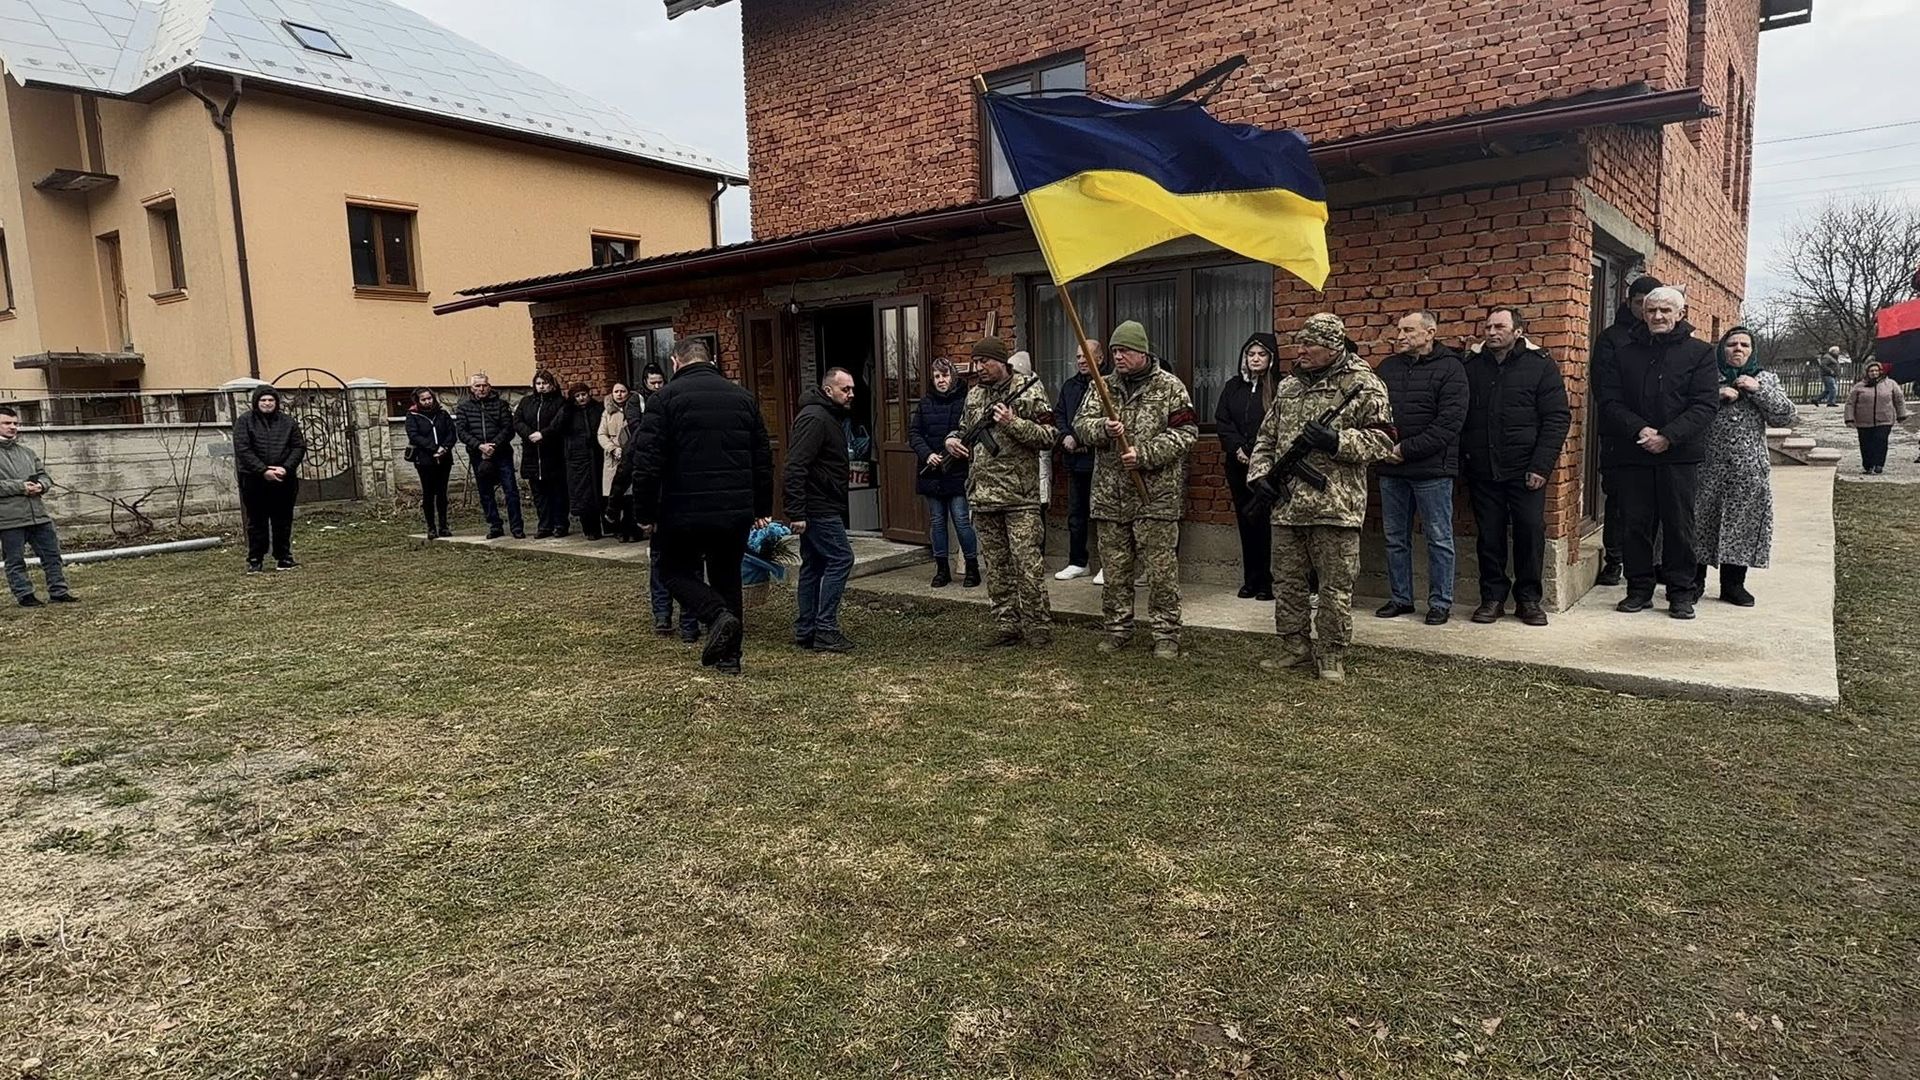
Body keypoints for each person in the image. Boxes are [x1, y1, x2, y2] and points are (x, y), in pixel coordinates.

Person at [1247, 313, 1396, 681]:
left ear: (1332, 347)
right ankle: (1294, 646)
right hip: (1288, 506)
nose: (1300, 351)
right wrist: (1260, 475)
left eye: (1308, 345)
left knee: (1335, 587)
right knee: (1287, 582)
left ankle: (1331, 654)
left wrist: (1337, 441)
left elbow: (1384, 441)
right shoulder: (1289, 386)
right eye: (1299, 344)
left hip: (1336, 506)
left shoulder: (1364, 385)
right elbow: (1266, 438)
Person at [629, 339, 774, 676]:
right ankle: (729, 659)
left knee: (672, 571)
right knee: (727, 577)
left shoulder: (663, 399)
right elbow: (762, 457)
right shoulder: (743, 397)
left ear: (676, 362)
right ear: (709, 360)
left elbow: (647, 463)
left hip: (683, 510)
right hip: (735, 510)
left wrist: (645, 514)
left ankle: (715, 615)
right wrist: (761, 508)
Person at [1072, 320, 1198, 660]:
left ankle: (1166, 633)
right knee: (1114, 571)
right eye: (1114, 351)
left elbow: (1186, 433)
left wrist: (1144, 454)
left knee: (1160, 573)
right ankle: (1117, 628)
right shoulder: (1102, 386)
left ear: (1143, 352)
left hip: (1154, 497)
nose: (1118, 357)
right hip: (1110, 497)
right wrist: (1103, 428)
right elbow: (1080, 426)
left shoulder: (1170, 387)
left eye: (1124, 350)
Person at [1594, 285, 1720, 619]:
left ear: (1681, 314)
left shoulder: (1700, 353)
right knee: (1635, 524)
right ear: (1643, 314)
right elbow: (1609, 400)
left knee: (1679, 525)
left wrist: (1668, 436)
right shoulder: (1625, 352)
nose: (1658, 316)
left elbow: (1705, 404)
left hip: (1679, 454)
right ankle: (1638, 589)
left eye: (1666, 310)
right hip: (1634, 451)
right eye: (1652, 311)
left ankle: (1681, 592)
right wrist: (1639, 429)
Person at [1459, 307, 1570, 626]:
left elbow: (1557, 417)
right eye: (1488, 327)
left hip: (1526, 471)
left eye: (1500, 327)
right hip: (1483, 469)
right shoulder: (1472, 366)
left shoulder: (1540, 365)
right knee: (1489, 536)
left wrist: (1541, 466)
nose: (1492, 332)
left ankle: (1529, 600)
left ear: (1518, 331)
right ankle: (1492, 598)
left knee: (1530, 532)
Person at [945, 337, 1056, 646]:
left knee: (1028, 566)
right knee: (996, 567)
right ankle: (1007, 623)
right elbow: (964, 428)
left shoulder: (1030, 388)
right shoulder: (974, 395)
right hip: (983, 495)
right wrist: (952, 440)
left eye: (985, 362)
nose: (979, 368)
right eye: (976, 362)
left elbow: (1049, 436)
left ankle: (1038, 627)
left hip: (1019, 497)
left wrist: (1012, 422)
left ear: (1001, 362)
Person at [1375, 312, 1468, 624]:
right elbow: (1373, 412)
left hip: (1432, 470)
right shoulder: (1387, 368)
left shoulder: (1451, 368)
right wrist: (1383, 447)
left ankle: (1440, 602)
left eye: (1408, 330)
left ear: (1430, 333)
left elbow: (1450, 423)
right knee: (1394, 538)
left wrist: (1405, 449)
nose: (1400, 335)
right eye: (1398, 329)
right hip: (1391, 469)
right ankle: (1401, 598)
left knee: (1439, 538)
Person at [1695, 327, 1797, 605]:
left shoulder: (1765, 379)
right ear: (1722, 349)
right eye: (1731, 345)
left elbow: (1785, 417)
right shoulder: (1706, 376)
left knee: (1742, 525)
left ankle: (1733, 585)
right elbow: (1687, 408)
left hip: (1748, 469)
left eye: (1744, 345)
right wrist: (1716, 395)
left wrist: (1758, 390)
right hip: (1707, 467)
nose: (1737, 349)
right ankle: (1694, 582)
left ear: (1752, 350)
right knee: (1701, 521)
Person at [1592, 275, 1662, 585]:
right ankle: (1615, 559)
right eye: (1640, 304)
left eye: (1652, 305)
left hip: (1663, 437)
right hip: (1620, 434)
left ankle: (1654, 562)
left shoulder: (1667, 337)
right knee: (1619, 499)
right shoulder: (1612, 339)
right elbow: (1605, 391)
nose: (1648, 312)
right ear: (1629, 302)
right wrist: (1636, 425)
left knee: (1658, 501)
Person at [785, 367, 857, 652]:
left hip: (821, 502)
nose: (851, 394)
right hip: (818, 505)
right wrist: (797, 512)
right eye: (845, 389)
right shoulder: (815, 418)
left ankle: (808, 629)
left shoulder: (827, 416)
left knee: (814, 565)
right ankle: (825, 628)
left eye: (852, 389)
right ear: (828, 391)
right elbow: (795, 466)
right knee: (841, 558)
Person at [1215, 332, 1279, 602]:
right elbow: (1222, 420)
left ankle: (1268, 582)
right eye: (1251, 354)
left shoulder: (1279, 387)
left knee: (1266, 523)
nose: (1255, 359)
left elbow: (1276, 424)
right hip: (1237, 463)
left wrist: (1255, 451)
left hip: (1267, 468)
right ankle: (1251, 580)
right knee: (1246, 521)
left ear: (1271, 359)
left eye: (1261, 354)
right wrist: (1238, 447)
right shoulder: (1233, 386)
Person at [907, 357, 980, 588]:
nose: (941, 380)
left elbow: (973, 432)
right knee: (937, 522)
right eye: (937, 376)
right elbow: (914, 433)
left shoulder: (966, 401)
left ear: (953, 376)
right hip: (931, 471)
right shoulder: (925, 403)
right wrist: (927, 454)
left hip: (957, 470)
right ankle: (941, 570)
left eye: (945, 375)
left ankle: (972, 569)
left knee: (961, 520)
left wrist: (961, 449)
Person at [0, 406, 74, 606]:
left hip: (38, 514)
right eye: (7, 423)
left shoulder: (26, 452)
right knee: (15, 560)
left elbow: (44, 475)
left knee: (52, 555)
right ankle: (25, 596)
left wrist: (41, 485)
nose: (13, 427)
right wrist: (21, 486)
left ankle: (59, 592)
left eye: (15, 423)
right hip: (9, 518)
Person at [232, 384, 308, 573]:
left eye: (271, 400)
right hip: (254, 480)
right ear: (256, 402)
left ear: (276, 402)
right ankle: (255, 560)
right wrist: (263, 470)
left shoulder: (288, 422)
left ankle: (284, 558)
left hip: (284, 480)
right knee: (257, 521)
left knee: (282, 520)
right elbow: (243, 449)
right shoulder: (245, 422)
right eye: (263, 400)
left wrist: (285, 468)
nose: (267, 403)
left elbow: (298, 447)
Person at [1054, 338, 1103, 581]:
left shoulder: (1108, 385)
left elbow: (1103, 422)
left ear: (1100, 358)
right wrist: (1065, 435)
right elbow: (1059, 415)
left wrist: (1078, 438)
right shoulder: (1070, 386)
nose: (1082, 361)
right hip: (1075, 462)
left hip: (1101, 462)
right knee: (1076, 513)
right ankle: (1078, 562)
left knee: (1104, 515)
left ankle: (1108, 565)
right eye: (1079, 357)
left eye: (1087, 356)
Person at [454, 371, 524, 540]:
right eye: (477, 386)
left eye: (484, 385)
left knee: (511, 490)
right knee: (485, 492)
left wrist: (494, 445)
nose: (481, 389)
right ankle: (495, 525)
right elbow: (462, 432)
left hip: (501, 453)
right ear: (471, 388)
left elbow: (508, 428)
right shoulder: (464, 407)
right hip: (479, 455)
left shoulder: (500, 404)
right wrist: (480, 446)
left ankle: (516, 527)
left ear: (489, 386)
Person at [514, 370, 570, 538]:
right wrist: (529, 434)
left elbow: (559, 422)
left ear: (552, 384)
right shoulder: (526, 402)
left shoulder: (560, 402)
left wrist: (544, 434)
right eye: (538, 384)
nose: (542, 387)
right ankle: (544, 525)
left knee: (558, 492)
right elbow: (517, 421)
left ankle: (560, 524)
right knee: (539, 495)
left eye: (545, 383)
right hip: (532, 454)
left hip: (553, 454)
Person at [404, 388, 457, 538]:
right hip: (425, 460)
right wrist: (433, 447)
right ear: (418, 401)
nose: (427, 402)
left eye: (429, 398)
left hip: (444, 458)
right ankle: (431, 527)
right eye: (424, 399)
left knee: (442, 493)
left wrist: (444, 448)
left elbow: (451, 433)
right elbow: (414, 435)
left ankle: (443, 526)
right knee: (428, 493)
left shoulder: (442, 414)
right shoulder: (413, 415)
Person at [597, 382, 644, 542]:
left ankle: (633, 530)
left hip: (631, 455)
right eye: (616, 391)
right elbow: (601, 434)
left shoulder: (635, 409)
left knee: (631, 496)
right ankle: (618, 530)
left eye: (622, 391)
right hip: (614, 457)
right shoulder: (607, 412)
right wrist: (612, 448)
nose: (619, 394)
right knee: (616, 495)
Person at [1844, 360, 1910, 475]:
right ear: (1867, 372)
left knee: (1881, 441)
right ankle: (1868, 466)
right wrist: (1849, 418)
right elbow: (1850, 403)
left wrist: (1901, 414)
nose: (1874, 373)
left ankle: (1879, 464)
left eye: (1876, 370)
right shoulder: (1859, 386)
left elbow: (1899, 400)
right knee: (1866, 443)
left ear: (1880, 371)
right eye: (1871, 371)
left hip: (1884, 420)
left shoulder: (1890, 384)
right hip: (1864, 420)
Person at [560, 382, 604, 539]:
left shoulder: (598, 409)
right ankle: (590, 528)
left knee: (601, 491)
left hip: (597, 456)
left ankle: (607, 525)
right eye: (577, 396)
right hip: (578, 458)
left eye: (583, 395)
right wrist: (566, 408)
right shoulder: (569, 412)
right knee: (583, 494)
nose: (581, 398)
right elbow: (559, 427)